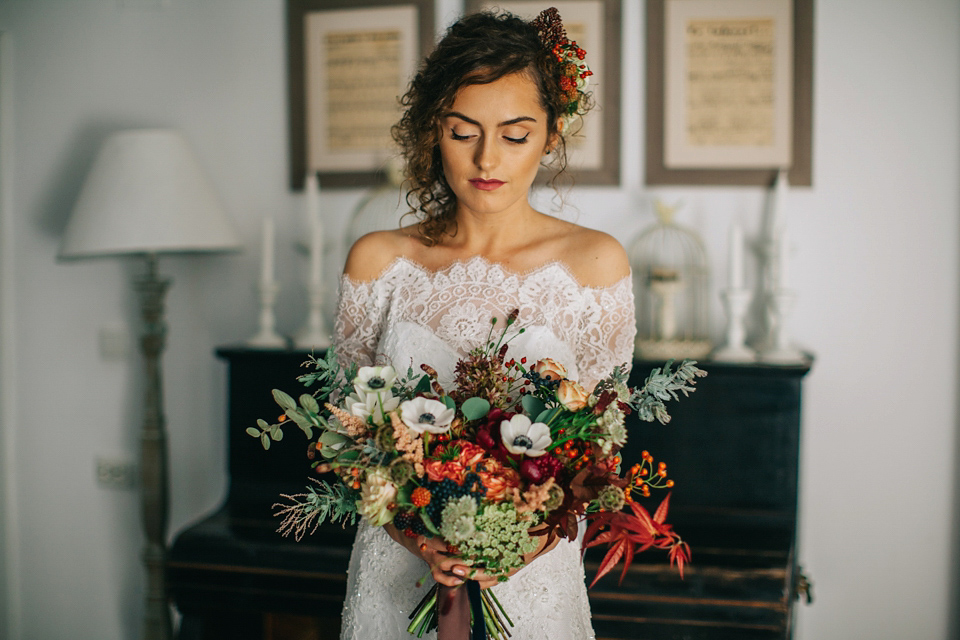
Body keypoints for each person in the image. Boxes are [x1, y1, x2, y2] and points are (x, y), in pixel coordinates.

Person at [334, 9, 635, 640]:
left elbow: (600, 448)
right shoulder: (378, 261)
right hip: (398, 571)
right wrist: (420, 541)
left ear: (552, 135)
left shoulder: (596, 263)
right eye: (462, 131)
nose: (487, 157)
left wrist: (519, 545)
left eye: (515, 135)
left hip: (532, 578)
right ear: (431, 131)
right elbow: (351, 440)